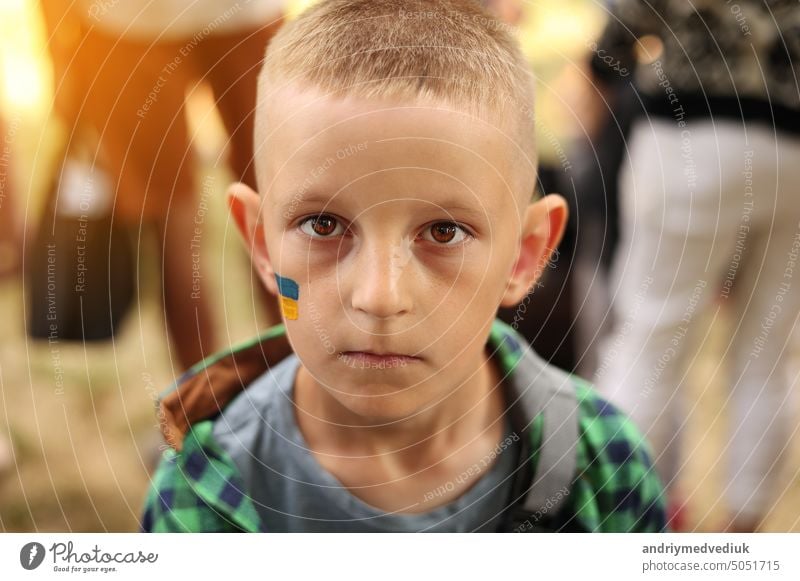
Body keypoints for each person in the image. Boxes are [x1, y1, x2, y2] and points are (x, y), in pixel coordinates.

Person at [140, 0, 665, 533]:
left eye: (444, 232)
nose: (380, 296)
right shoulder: (202, 493)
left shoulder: (605, 469)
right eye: (323, 226)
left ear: (524, 255)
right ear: (262, 242)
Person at [588, 0, 800, 531]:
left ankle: (620, 523)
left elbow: (615, 40)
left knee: (648, 340)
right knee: (765, 354)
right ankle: (741, 540)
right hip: (791, 150)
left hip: (686, 137)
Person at [39, 0, 285, 368]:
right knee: (271, 199)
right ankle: (285, 379)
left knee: (184, 218)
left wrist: (58, 46)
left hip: (134, 23)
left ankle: (203, 403)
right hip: (185, 21)